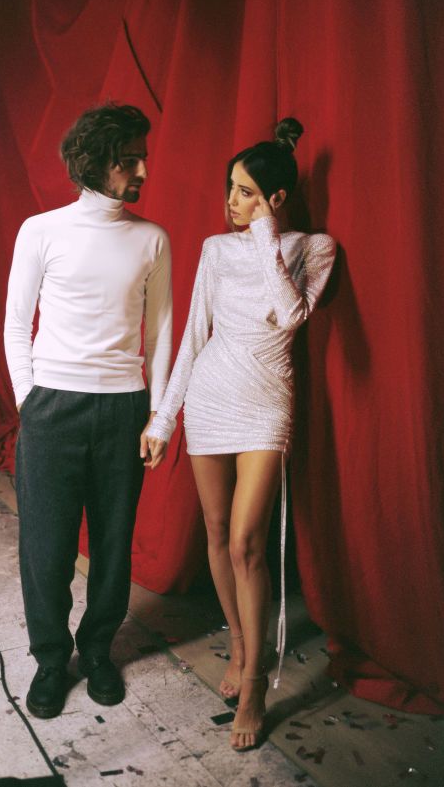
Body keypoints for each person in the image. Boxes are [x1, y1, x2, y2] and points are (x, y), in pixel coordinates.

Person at [145, 118, 335, 751]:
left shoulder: (314, 248)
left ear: (275, 199)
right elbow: (194, 334)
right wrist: (163, 419)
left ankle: (255, 682)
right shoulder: (213, 249)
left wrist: (264, 233)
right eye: (230, 187)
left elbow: (290, 314)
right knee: (218, 531)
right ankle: (238, 638)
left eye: (246, 192)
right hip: (210, 397)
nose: (231, 200)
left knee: (248, 541)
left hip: (266, 404)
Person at [4, 102, 172, 719]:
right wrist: (29, 400)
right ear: (96, 162)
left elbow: (161, 334)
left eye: (142, 158)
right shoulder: (41, 230)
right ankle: (51, 659)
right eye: (129, 160)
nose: (142, 171)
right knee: (45, 547)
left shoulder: (153, 238)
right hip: (53, 406)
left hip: (124, 408)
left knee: (113, 543)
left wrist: (159, 417)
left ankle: (97, 650)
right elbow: (16, 323)